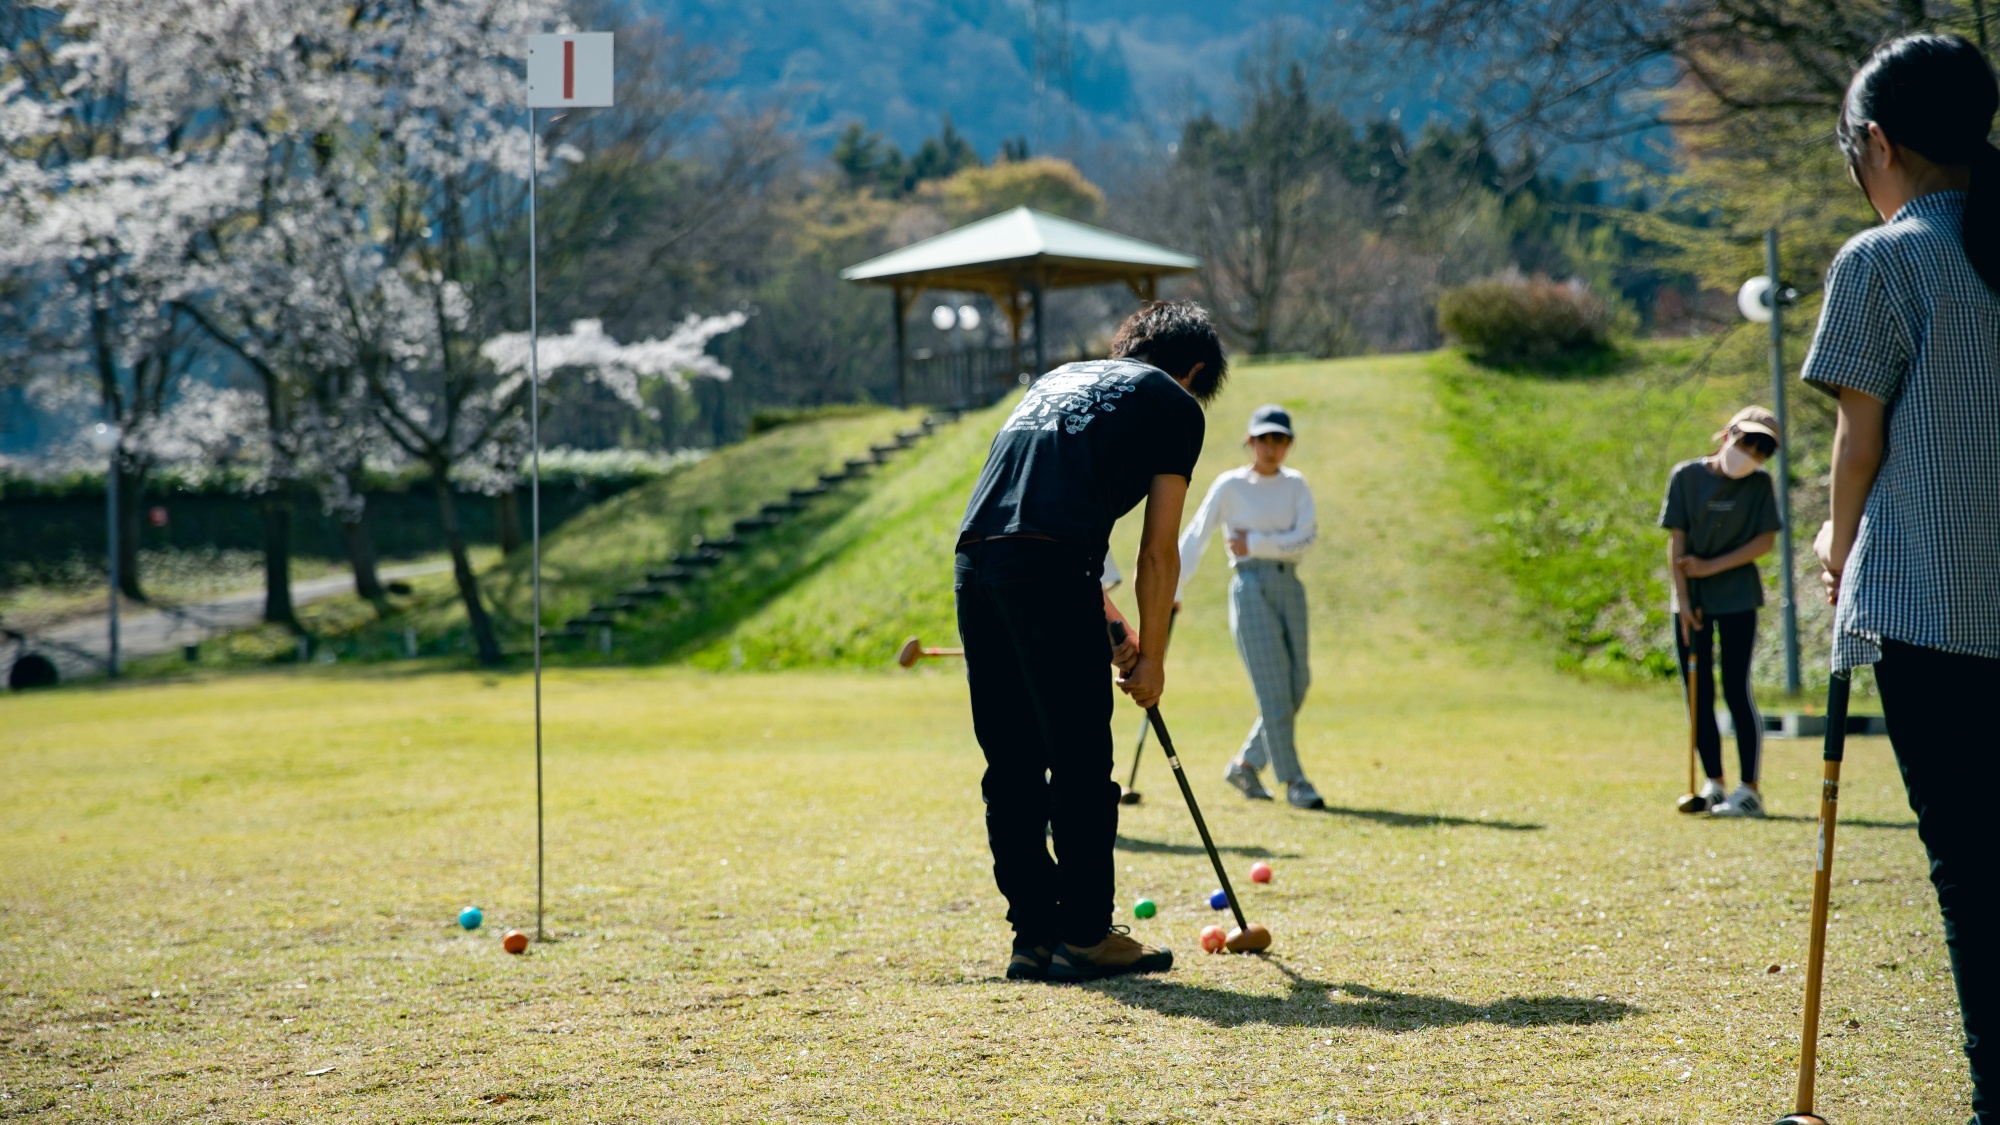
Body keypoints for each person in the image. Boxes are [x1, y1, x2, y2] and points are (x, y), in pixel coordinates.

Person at [1803, 33, 2000, 1123]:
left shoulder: (1884, 260)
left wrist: (1836, 549)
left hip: (1936, 608)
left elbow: (1856, 444)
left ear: (1875, 142)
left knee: (1974, 878)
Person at [955, 300, 1225, 983]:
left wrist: (1114, 633)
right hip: (1049, 569)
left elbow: (1033, 522)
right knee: (1078, 761)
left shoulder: (1056, 380)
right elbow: (1157, 554)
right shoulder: (1173, 402)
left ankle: (1032, 936)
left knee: (1011, 762)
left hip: (977, 566)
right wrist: (1154, 660)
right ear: (1193, 370)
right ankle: (1084, 933)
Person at [1176, 404, 1324, 809]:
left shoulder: (1296, 485)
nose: (1271, 447)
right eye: (1263, 439)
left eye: (1279, 439)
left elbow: (1306, 539)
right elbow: (1196, 535)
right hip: (1251, 586)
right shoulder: (1230, 486)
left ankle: (1245, 764)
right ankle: (1294, 780)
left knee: (1298, 684)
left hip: (1289, 585)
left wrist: (1255, 541)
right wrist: (1173, 588)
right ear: (1250, 442)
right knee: (1275, 691)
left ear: (1289, 444)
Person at [1657, 406, 1784, 818]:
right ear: (1728, 434)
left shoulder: (1760, 485)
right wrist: (1684, 601)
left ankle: (1750, 790)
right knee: (1699, 695)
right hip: (1691, 601)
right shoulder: (1685, 476)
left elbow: (1763, 543)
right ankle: (1714, 784)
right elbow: (1676, 543)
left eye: (1762, 450)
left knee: (1735, 688)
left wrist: (1710, 566)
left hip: (1737, 598)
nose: (1751, 453)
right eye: (1747, 442)